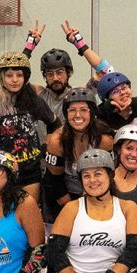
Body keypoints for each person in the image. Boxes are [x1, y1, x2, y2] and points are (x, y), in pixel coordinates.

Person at [0, 51, 58, 200]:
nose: (14, 80)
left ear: (25, 78)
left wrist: (47, 145)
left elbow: (55, 123)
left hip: (30, 171)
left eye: (19, 75)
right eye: (9, 75)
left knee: (29, 213)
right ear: (2, 78)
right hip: (1, 171)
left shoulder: (34, 101)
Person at [42, 87, 114, 221]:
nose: (78, 115)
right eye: (72, 110)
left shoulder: (104, 138)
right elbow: (54, 180)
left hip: (98, 190)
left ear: (92, 113)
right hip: (63, 194)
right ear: (66, 113)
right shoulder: (57, 140)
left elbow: (109, 176)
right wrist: (73, 210)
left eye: (83, 110)